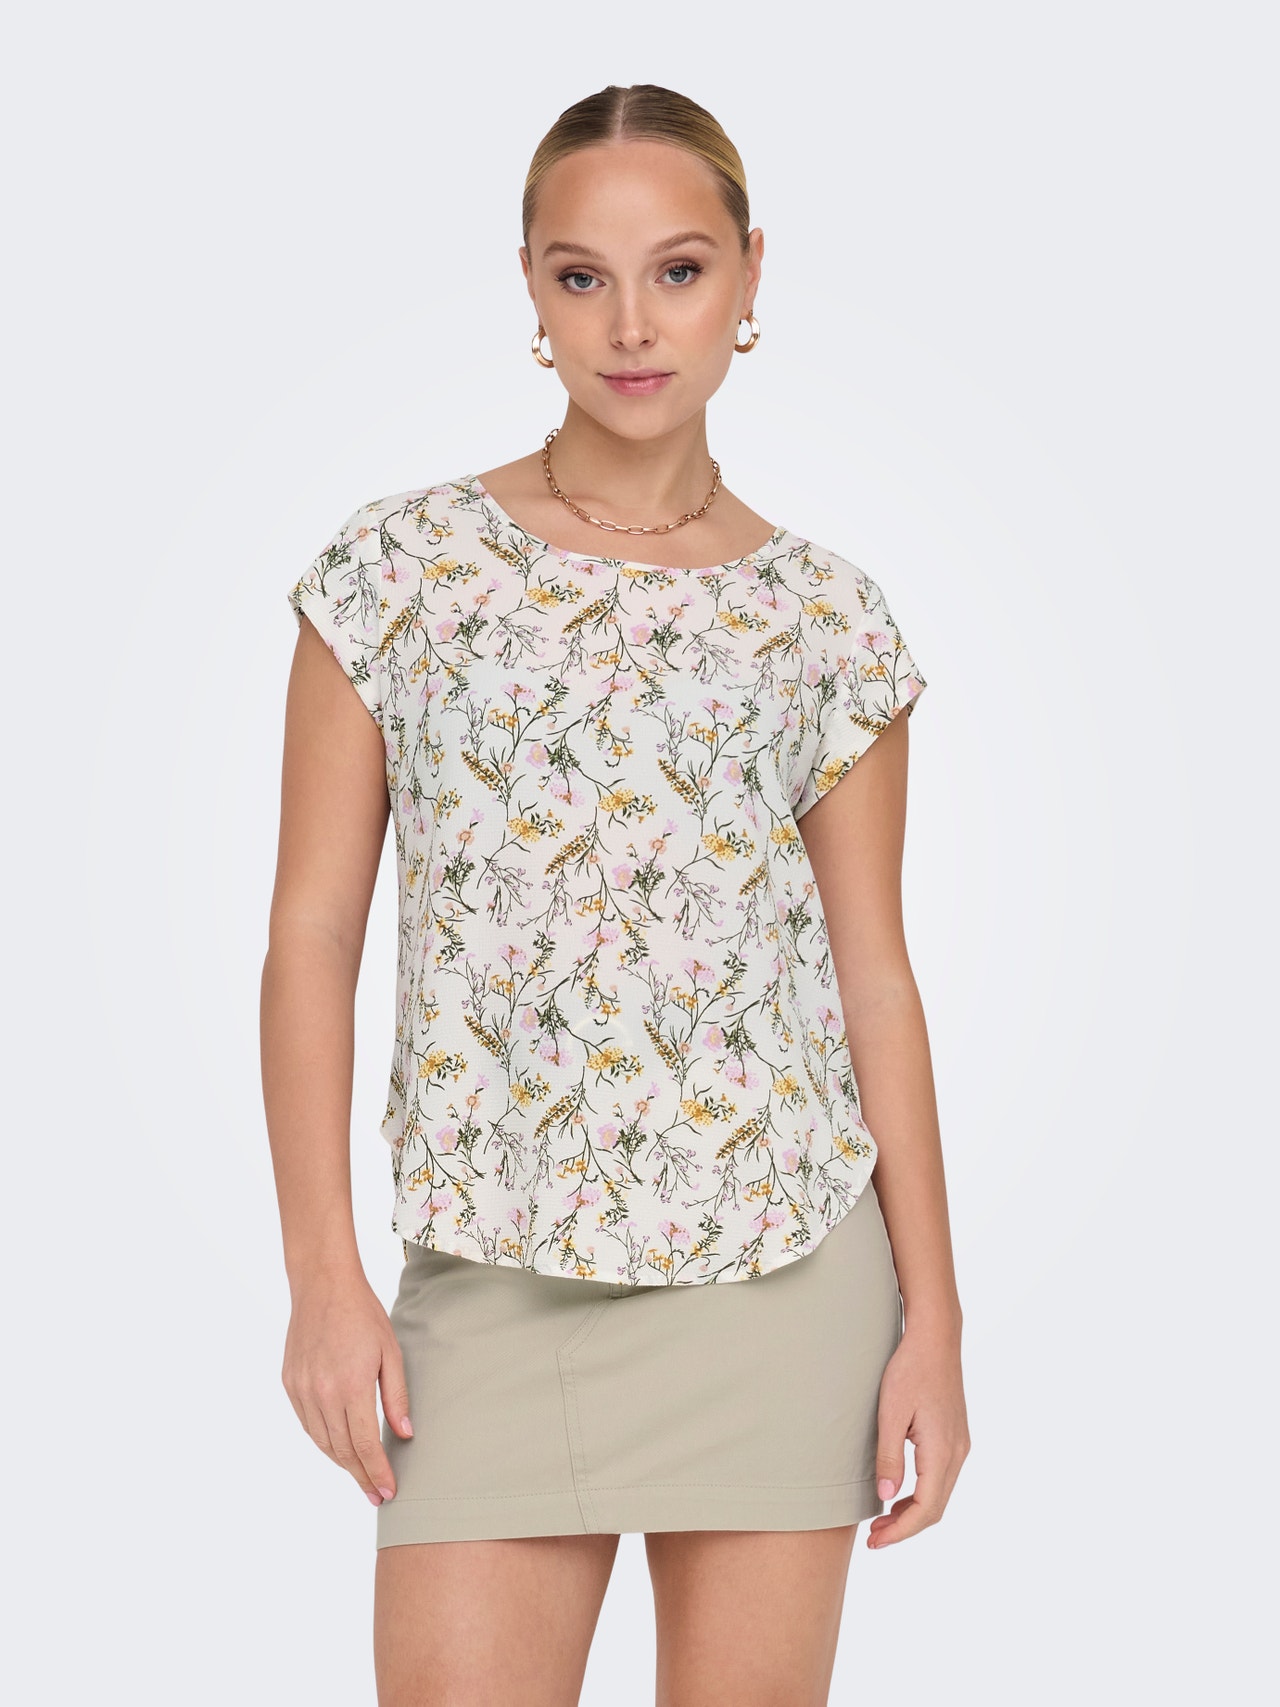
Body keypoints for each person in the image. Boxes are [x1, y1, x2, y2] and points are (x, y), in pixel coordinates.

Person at [262, 82, 970, 1707]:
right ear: (530, 285)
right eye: (582, 276)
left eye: (680, 270)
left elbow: (875, 978)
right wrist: (320, 1277)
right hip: (488, 1285)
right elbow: (311, 937)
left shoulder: (827, 619)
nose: (632, 324)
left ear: (749, 276)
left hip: (784, 1285)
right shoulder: (400, 572)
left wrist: (933, 1321)